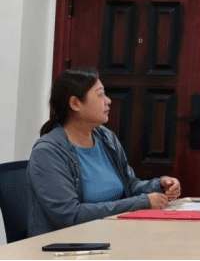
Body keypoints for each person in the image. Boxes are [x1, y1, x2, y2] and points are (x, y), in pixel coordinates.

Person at [27, 68, 181, 237]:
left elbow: (129, 186)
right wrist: (142, 202)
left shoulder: (106, 138)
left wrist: (159, 185)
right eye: (100, 95)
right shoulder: (48, 152)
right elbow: (70, 215)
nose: (108, 100)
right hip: (68, 244)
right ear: (75, 103)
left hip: (112, 235)